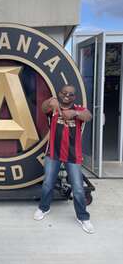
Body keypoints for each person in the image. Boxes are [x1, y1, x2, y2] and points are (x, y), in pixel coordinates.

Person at [34, 85, 95, 234]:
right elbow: (43, 108)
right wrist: (50, 101)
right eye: (64, 93)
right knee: (48, 183)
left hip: (73, 156)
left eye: (71, 94)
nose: (67, 96)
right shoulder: (53, 109)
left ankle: (83, 217)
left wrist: (74, 113)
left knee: (78, 189)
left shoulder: (79, 109)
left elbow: (89, 116)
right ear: (59, 94)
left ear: (75, 97)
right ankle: (44, 208)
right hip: (53, 154)